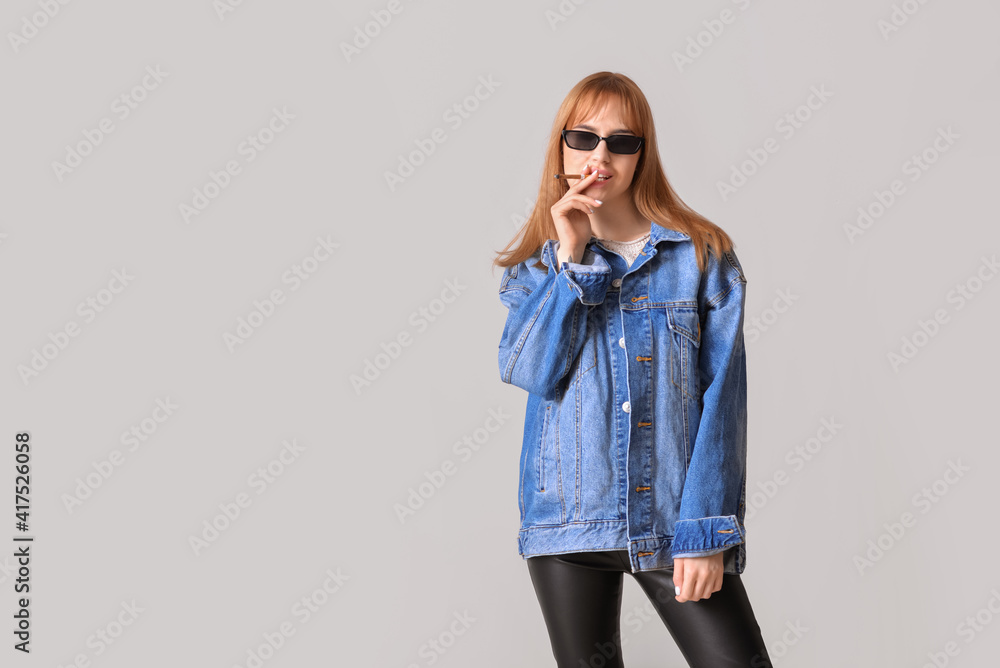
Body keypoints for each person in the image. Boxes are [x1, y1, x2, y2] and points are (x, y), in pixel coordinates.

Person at [492, 71, 774, 668]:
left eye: (621, 142)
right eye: (583, 138)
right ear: (560, 148)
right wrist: (572, 258)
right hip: (567, 524)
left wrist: (704, 531)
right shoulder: (536, 268)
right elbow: (530, 371)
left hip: (672, 520)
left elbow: (723, 400)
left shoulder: (701, 257)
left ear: (642, 155)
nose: (600, 157)